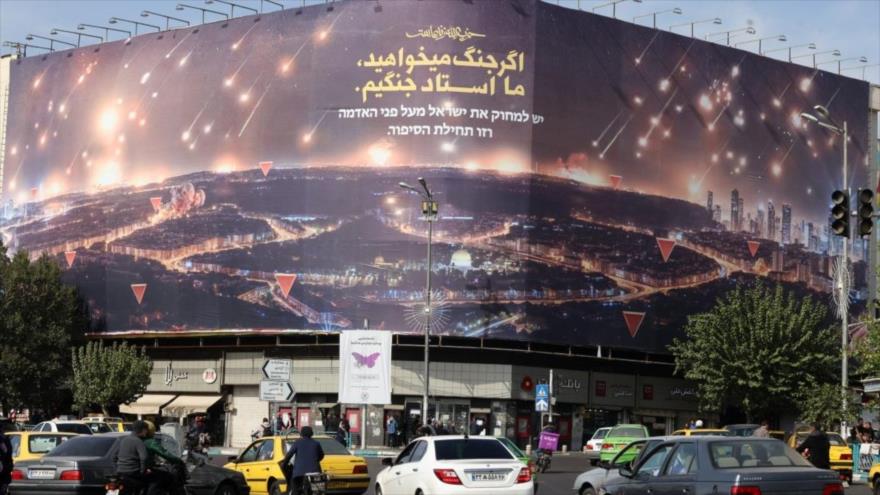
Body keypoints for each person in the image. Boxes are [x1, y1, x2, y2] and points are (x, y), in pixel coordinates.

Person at [280, 426, 324, 495]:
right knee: (317, 491)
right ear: (311, 433)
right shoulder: (316, 443)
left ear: (301, 434)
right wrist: (315, 460)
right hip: (315, 473)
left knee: (295, 490)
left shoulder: (298, 442)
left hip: (299, 473)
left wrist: (284, 464)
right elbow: (321, 456)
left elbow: (289, 455)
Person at [143, 421, 184, 495]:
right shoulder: (149, 442)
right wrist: (177, 460)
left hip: (131, 470)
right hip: (145, 470)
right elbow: (164, 453)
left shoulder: (131, 440)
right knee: (169, 476)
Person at [115, 420, 151, 494]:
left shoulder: (124, 440)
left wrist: (118, 468)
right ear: (143, 430)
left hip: (121, 473)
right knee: (150, 484)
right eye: (146, 430)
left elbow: (114, 457)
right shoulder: (138, 441)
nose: (146, 433)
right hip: (133, 473)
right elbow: (144, 458)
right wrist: (142, 471)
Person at [1, 419, 15, 495]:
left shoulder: (4, 439)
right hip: (4, 465)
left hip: (5, 465)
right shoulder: (3, 439)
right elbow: (6, 451)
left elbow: (7, 452)